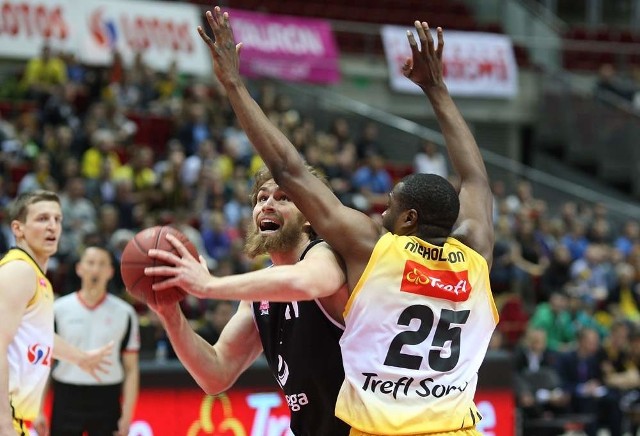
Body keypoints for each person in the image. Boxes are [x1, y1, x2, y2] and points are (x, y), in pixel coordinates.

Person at [192, 8, 497, 435]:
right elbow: (476, 179)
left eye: (390, 206)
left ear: (408, 218)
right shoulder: (476, 255)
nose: (380, 212)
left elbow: (288, 169)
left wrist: (234, 85)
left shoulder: (373, 250)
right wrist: (437, 89)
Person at [145, 165, 351, 435]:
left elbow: (307, 282)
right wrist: (170, 314)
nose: (267, 205)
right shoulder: (259, 294)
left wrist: (209, 285)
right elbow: (216, 374)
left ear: (309, 217)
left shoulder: (325, 254)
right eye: (261, 198)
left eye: (283, 198)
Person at [0, 190, 113, 436]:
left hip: (18, 420)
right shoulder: (19, 271)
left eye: (57, 219)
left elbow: (37, 335)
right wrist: (3, 423)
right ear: (18, 229)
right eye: (42, 219)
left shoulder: (37, 278)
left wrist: (80, 358)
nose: (52, 226)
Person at [38, 245, 140, 436]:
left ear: (110, 272)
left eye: (102, 264)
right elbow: (45, 365)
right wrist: (39, 409)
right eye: (91, 263)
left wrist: (127, 416)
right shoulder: (58, 309)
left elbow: (131, 368)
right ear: (79, 268)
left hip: (107, 397)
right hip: (67, 395)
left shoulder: (125, 313)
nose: (95, 269)